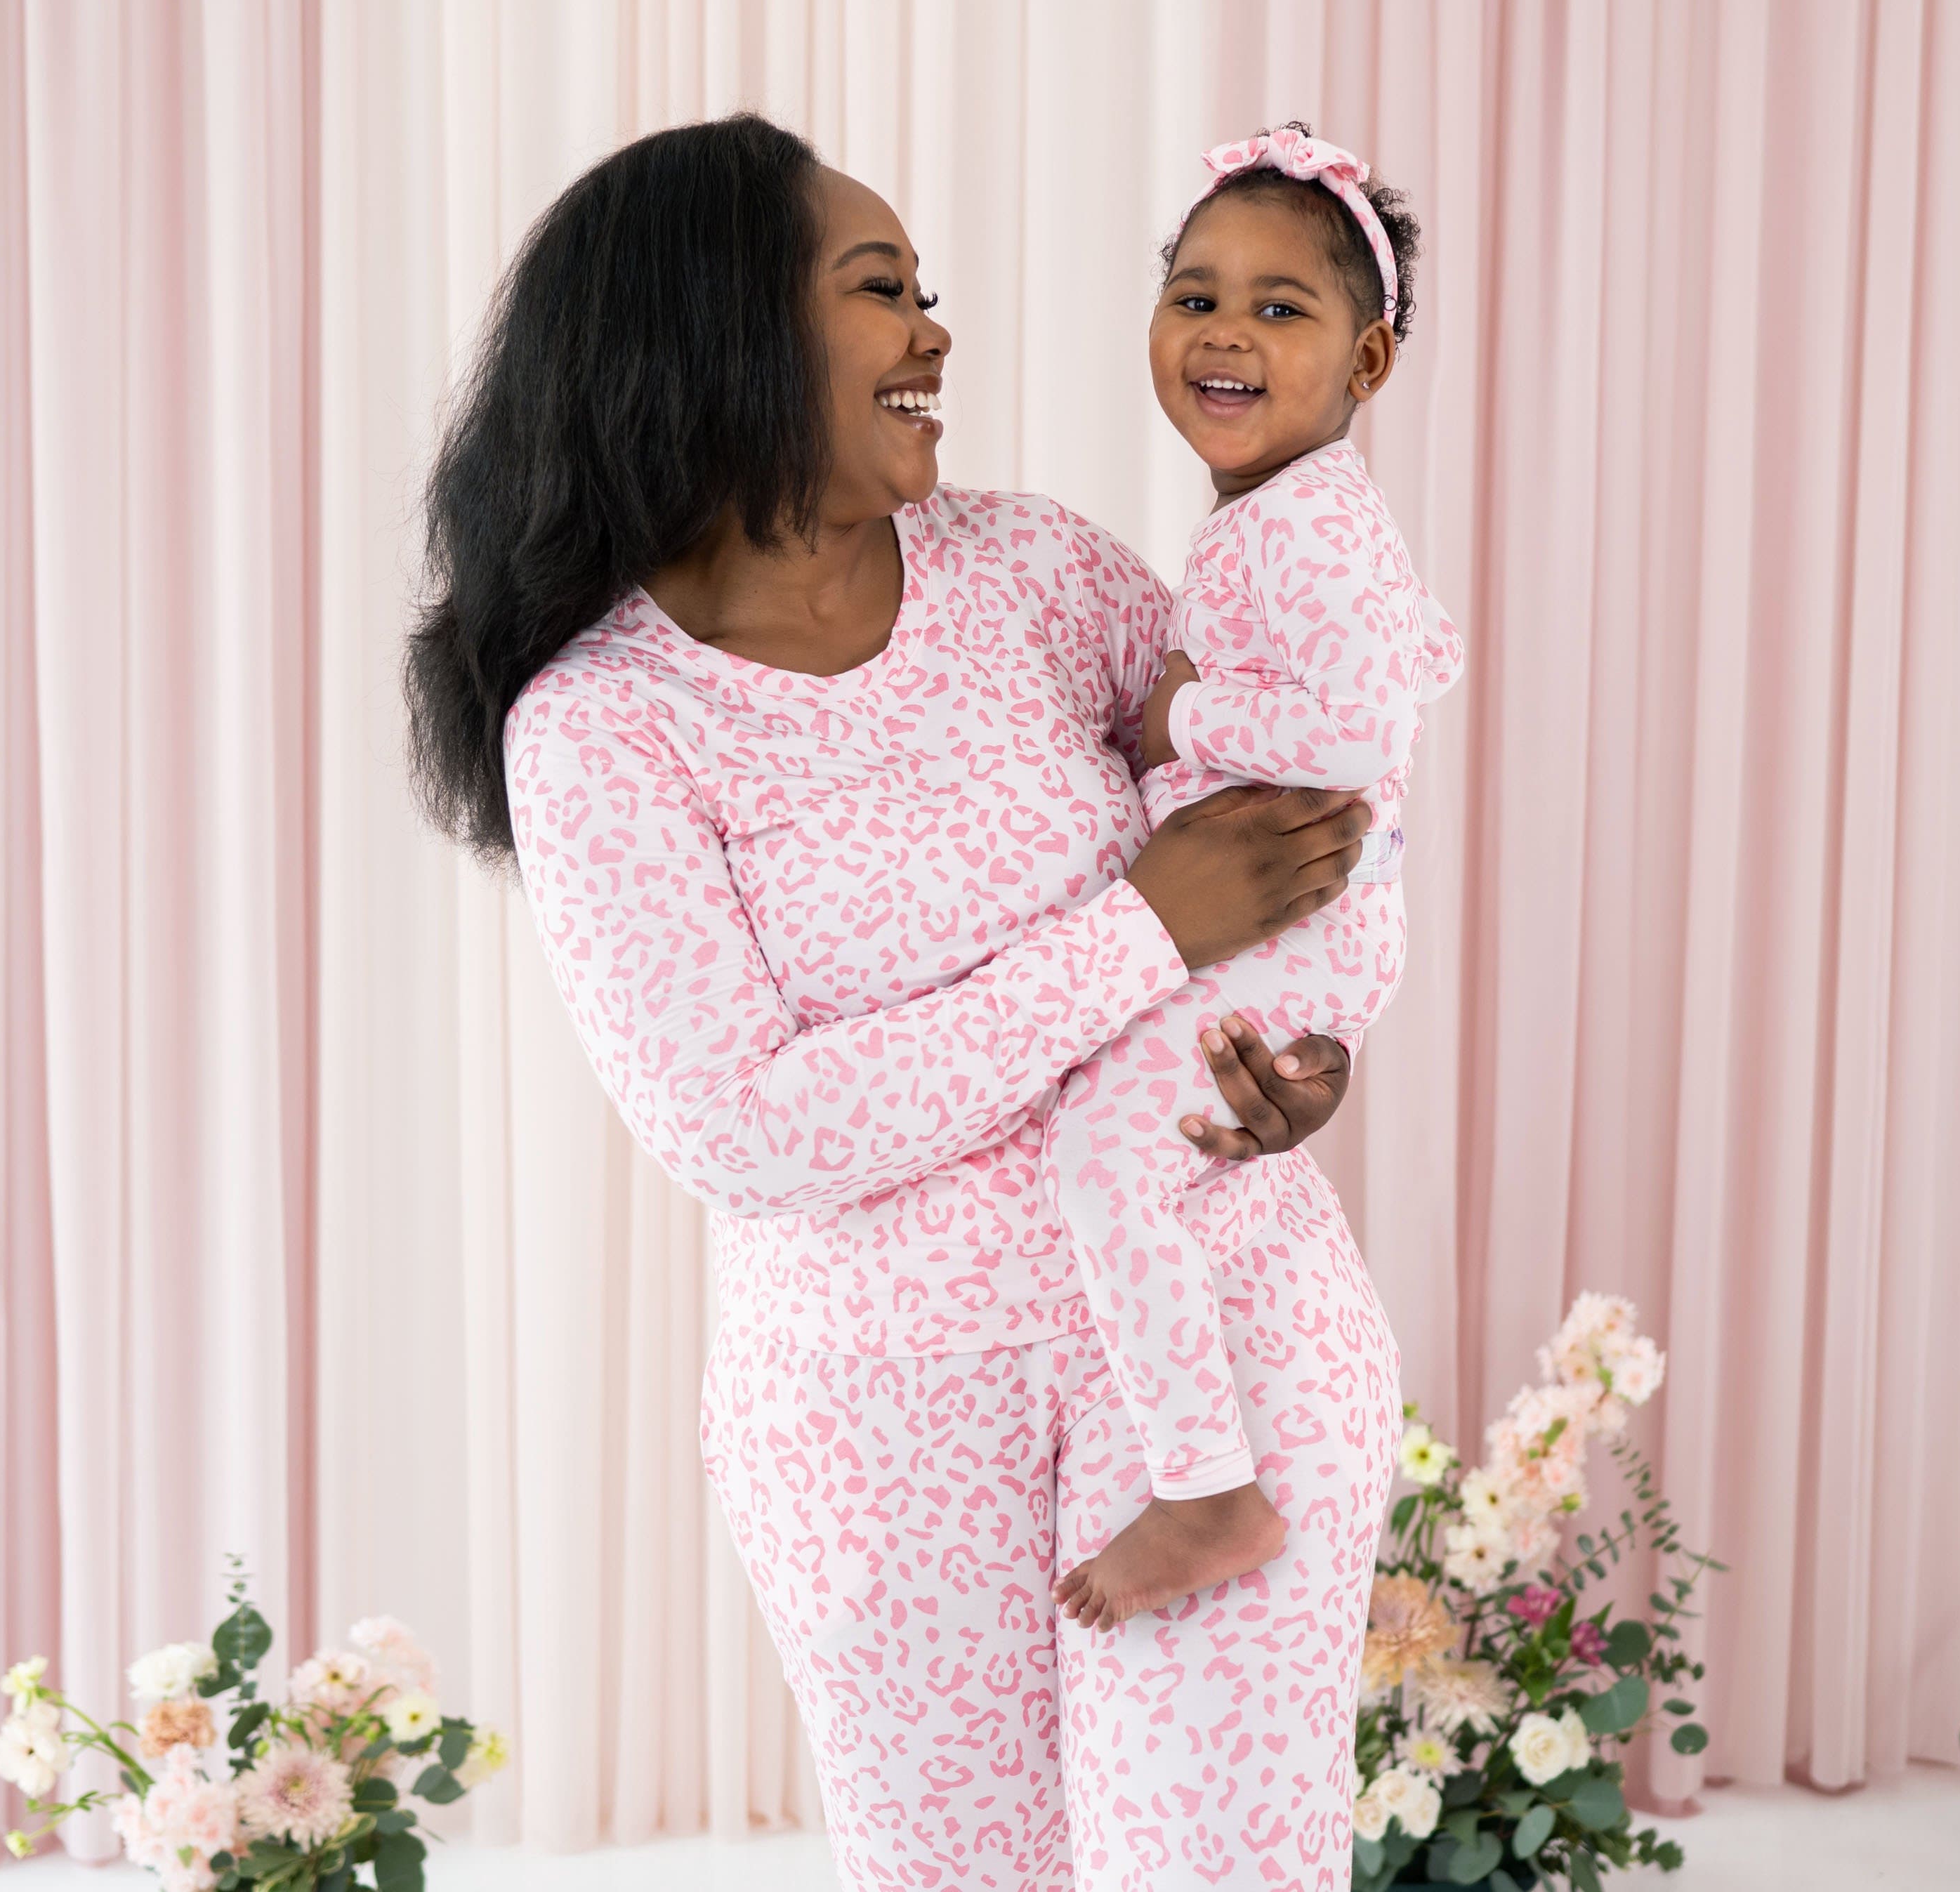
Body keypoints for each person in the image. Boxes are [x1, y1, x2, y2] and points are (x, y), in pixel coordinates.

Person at [405, 112, 1395, 1891]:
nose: (936, 331)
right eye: (882, 290)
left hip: (1222, 1338)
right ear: (719, 330)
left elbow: (1275, 806)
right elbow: (752, 1129)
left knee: (1225, 1867)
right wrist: (1141, 939)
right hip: (887, 1432)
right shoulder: (605, 728)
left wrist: (1295, 1055)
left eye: (925, 290)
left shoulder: (1035, 573)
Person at [1046, 124, 1464, 1632]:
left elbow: (1358, 727)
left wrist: (1178, 720)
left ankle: (1205, 1482)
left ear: (1367, 369)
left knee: (1103, 1155)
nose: (1226, 331)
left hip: (1298, 915)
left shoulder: (1313, 526)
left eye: (1281, 309)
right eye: (1194, 293)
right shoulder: (1276, 520)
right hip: (1301, 921)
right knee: (1138, 1144)